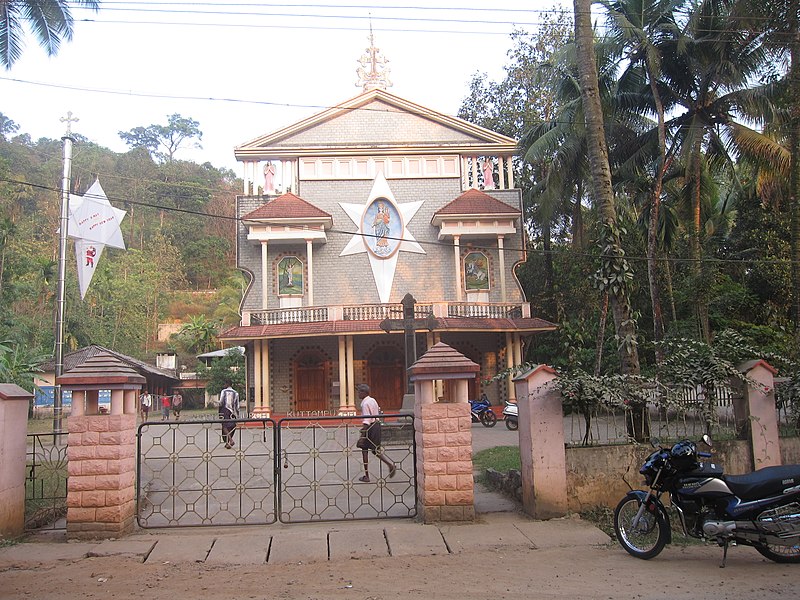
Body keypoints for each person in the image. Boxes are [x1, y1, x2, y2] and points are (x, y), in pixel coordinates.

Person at [356, 383, 396, 482]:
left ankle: (387, 466)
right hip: (376, 425)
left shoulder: (365, 404)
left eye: (359, 392)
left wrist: (363, 434)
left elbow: (367, 419)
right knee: (369, 449)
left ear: (364, 392)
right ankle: (368, 474)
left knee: (368, 449)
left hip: (370, 427)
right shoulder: (372, 400)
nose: (358, 394)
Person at [219, 380, 240, 449]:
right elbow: (237, 405)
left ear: (227, 384)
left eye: (225, 383)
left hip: (225, 410)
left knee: (224, 426)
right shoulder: (236, 393)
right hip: (232, 411)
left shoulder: (224, 391)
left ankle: (230, 440)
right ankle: (228, 443)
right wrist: (237, 414)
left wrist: (219, 411)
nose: (224, 385)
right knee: (231, 426)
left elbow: (221, 402)